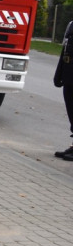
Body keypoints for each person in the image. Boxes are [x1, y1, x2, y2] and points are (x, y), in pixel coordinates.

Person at [54, 19, 73, 160]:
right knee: (71, 111)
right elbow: (64, 50)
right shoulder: (71, 25)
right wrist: (59, 73)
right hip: (69, 74)